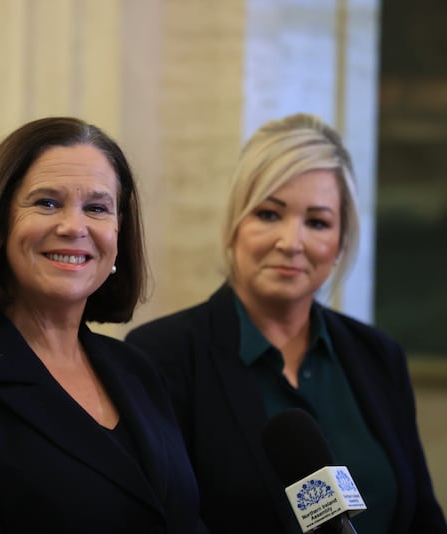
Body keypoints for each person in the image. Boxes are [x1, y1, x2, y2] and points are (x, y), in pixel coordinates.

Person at [126, 112, 447, 533]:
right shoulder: (161, 355)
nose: (291, 242)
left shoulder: (377, 355)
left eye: (317, 222)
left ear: (339, 243)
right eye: (269, 214)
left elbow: (422, 515)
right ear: (234, 226)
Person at [0, 117, 203, 533]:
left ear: (118, 235)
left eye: (96, 208)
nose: (74, 227)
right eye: (47, 203)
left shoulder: (138, 371)